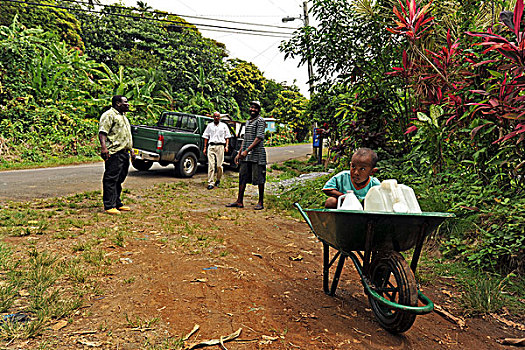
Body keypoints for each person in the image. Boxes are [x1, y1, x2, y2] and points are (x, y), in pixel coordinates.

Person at [226, 101, 266, 210]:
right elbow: (245, 138)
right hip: (245, 155)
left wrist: (247, 150)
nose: (253, 109)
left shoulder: (260, 121)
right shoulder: (248, 122)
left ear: (259, 110)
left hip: (257, 155)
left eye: (255, 108)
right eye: (252, 107)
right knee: (242, 176)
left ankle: (260, 202)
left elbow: (259, 138)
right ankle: (239, 201)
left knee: (259, 178)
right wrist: (239, 152)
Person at [98, 95, 135, 215]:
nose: (128, 104)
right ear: (118, 103)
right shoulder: (109, 115)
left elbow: (127, 136)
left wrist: (132, 151)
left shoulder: (123, 117)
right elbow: (103, 132)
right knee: (111, 178)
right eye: (125, 102)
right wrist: (104, 148)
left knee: (119, 179)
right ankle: (109, 205)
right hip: (114, 153)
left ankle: (117, 203)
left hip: (124, 153)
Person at [202, 111, 231, 190]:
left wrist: (227, 146)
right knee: (211, 165)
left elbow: (227, 137)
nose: (216, 118)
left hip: (220, 146)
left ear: (220, 117)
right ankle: (210, 182)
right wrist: (205, 148)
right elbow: (205, 137)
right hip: (211, 146)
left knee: (219, 166)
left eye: (218, 116)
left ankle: (218, 179)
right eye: (215, 116)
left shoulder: (224, 126)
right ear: (213, 117)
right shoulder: (209, 126)